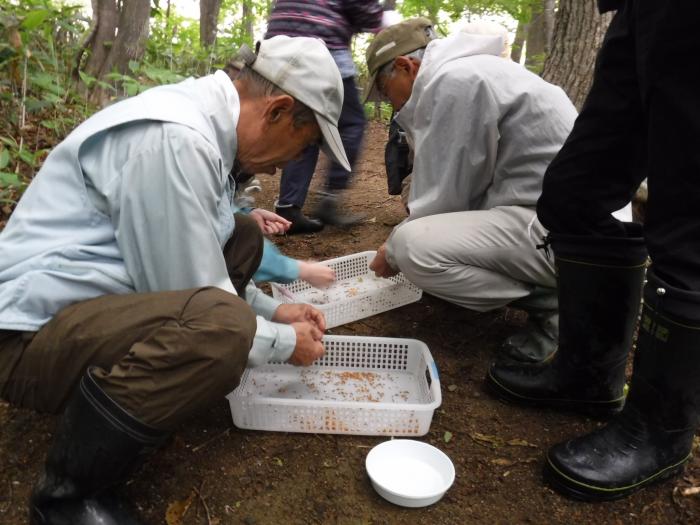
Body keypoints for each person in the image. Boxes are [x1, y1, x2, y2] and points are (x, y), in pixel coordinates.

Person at [0, 36, 349, 524]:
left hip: (80, 307)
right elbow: (203, 298)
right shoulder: (176, 140)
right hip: (24, 339)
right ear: (278, 110)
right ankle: (67, 499)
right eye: (304, 144)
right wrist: (282, 341)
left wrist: (273, 311)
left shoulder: (202, 130)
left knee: (242, 234)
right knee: (224, 328)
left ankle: (141, 390)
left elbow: (196, 259)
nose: (290, 165)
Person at [486, 0, 700, 501]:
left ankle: (660, 432)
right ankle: (587, 377)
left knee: (687, 216)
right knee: (573, 195)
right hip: (642, 13)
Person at [364, 18, 579, 363]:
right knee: (414, 236)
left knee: (411, 247)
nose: (392, 105)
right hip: (553, 221)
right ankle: (561, 291)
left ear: (406, 66)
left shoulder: (455, 82)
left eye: (386, 92)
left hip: (564, 237)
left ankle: (560, 304)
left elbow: (446, 199)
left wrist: (392, 251)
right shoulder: (473, 72)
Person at [264, 0, 387, 234]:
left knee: (305, 123)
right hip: (320, 49)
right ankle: (329, 198)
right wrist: (378, 19)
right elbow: (365, 9)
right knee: (352, 124)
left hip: (278, 50)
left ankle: (289, 206)